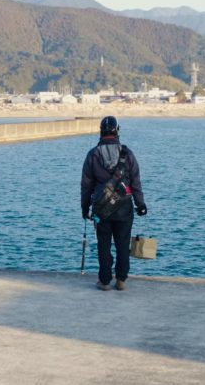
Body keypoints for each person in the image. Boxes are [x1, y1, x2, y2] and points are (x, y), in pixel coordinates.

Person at [81, 115, 147, 291]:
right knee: (122, 244)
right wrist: (140, 204)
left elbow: (86, 185)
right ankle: (121, 280)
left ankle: (104, 281)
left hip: (101, 208)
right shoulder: (127, 154)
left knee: (103, 245)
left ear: (101, 131)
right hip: (124, 206)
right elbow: (135, 181)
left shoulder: (93, 154)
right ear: (117, 131)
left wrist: (85, 207)